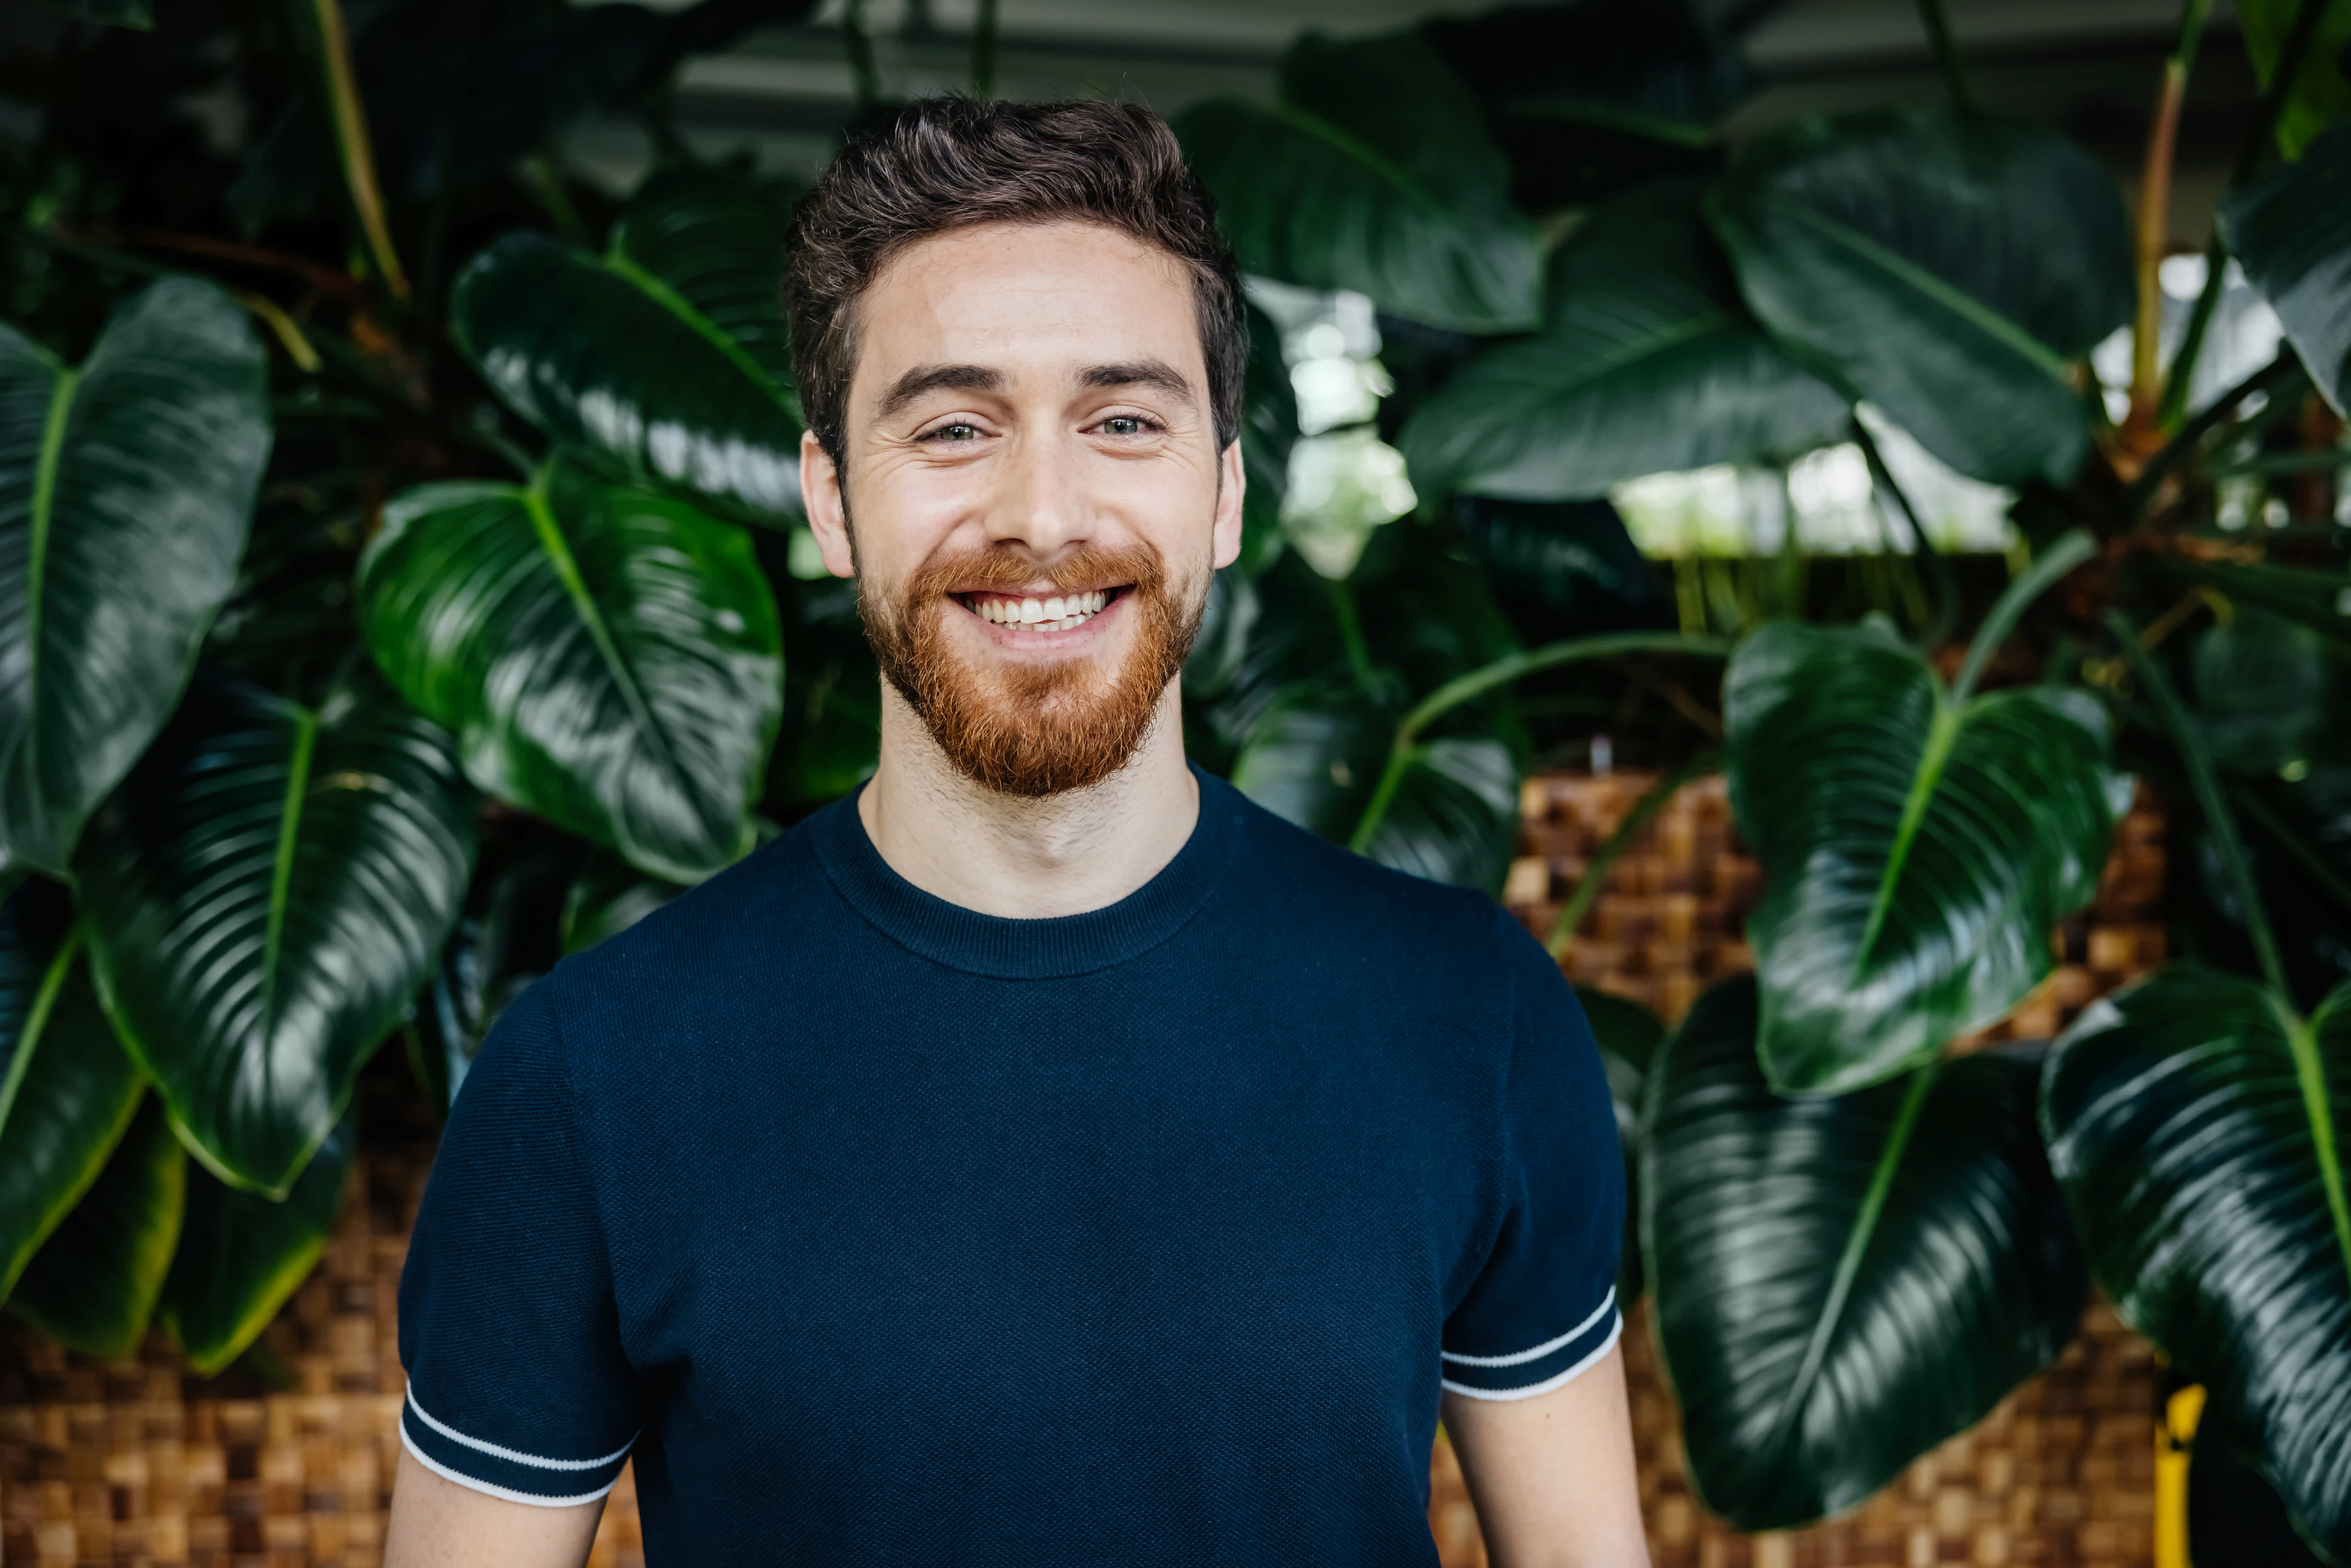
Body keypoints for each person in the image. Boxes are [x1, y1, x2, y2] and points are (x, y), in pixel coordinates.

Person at [384, 96, 1646, 1568]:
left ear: (1226, 492)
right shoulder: (588, 1078)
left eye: (1123, 421)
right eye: (954, 426)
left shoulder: (1471, 1015)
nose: (1041, 511)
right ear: (832, 500)